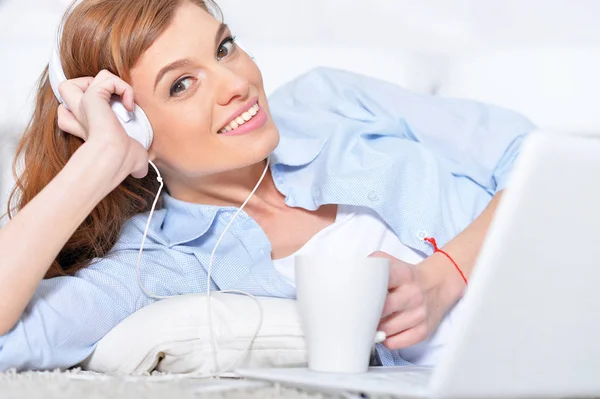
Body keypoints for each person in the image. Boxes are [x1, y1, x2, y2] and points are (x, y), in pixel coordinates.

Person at [0, 0, 535, 371]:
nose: (237, 84)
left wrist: (445, 276)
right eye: (182, 84)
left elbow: (533, 156)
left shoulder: (331, 100)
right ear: (133, 128)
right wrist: (98, 160)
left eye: (225, 48)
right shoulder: (161, 265)